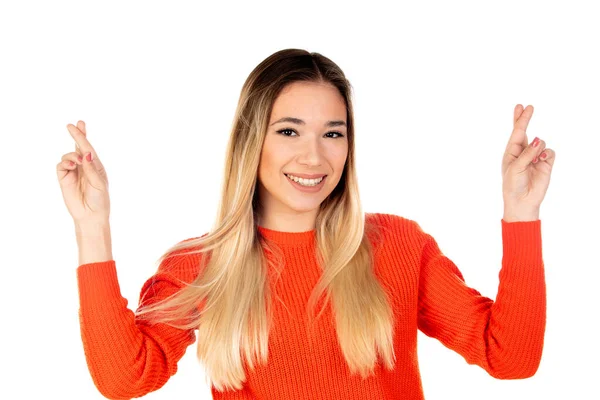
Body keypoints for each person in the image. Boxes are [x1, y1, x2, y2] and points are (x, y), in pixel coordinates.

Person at [56, 48, 556, 400]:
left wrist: (521, 213)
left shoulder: (399, 245)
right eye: (289, 130)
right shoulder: (202, 264)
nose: (313, 156)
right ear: (253, 140)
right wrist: (92, 226)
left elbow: (510, 357)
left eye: (332, 133)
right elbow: (123, 379)